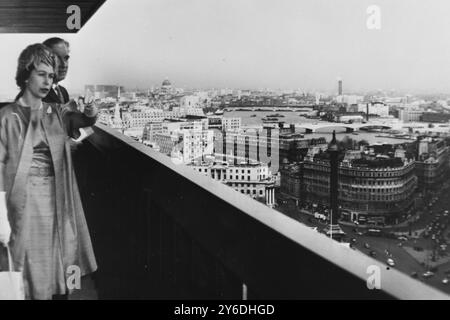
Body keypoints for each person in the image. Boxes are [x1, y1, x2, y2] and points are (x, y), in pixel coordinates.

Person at [0, 43, 98, 300]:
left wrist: (90, 111)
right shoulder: (7, 117)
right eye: (41, 74)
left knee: (62, 273)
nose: (47, 81)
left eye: (51, 76)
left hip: (57, 202)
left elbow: (84, 121)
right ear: (26, 74)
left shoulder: (57, 112)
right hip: (23, 206)